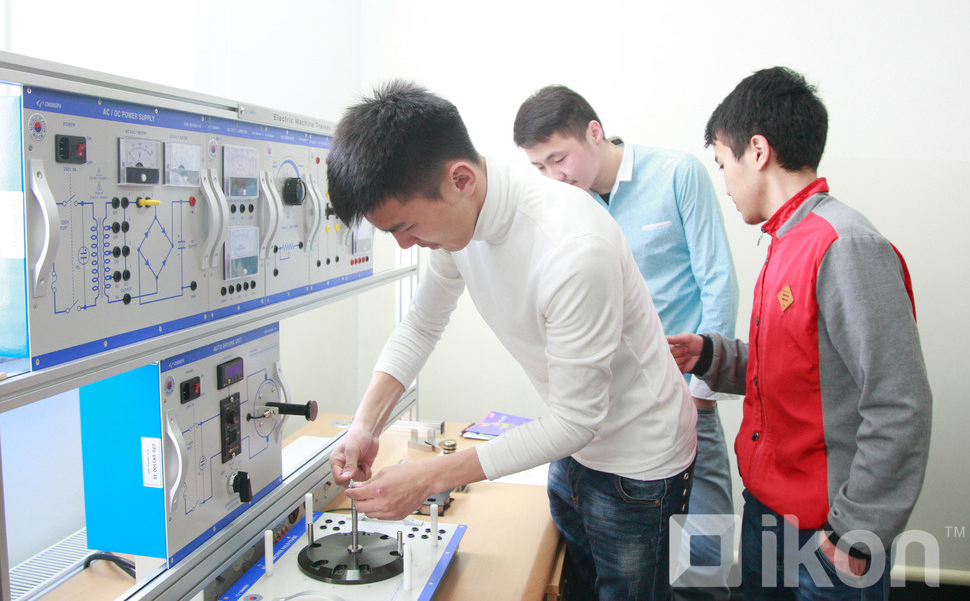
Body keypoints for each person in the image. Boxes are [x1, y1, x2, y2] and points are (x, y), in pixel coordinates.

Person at [327, 79, 698, 599]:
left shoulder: (573, 247)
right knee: (573, 585)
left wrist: (429, 477)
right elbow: (421, 325)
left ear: (460, 180)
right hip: (572, 445)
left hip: (639, 463)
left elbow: (577, 420)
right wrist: (364, 425)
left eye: (405, 226)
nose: (406, 245)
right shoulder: (458, 227)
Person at [668, 67, 932, 599]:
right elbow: (801, 371)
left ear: (757, 151)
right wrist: (709, 355)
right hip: (768, 511)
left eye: (722, 163)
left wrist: (857, 530)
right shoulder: (786, 240)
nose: (725, 184)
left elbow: (899, 402)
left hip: (829, 531)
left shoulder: (843, 245)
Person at [514, 85, 739, 599]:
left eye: (558, 159)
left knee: (703, 559)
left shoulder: (678, 174)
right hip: (608, 410)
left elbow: (718, 282)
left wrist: (702, 393)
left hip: (684, 392)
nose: (553, 177)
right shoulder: (560, 205)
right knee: (617, 562)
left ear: (594, 132)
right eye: (539, 167)